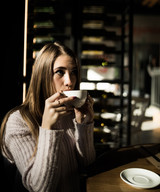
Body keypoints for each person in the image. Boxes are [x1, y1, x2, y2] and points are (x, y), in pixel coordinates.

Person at [0, 42, 96, 192]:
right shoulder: (18, 121)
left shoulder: (70, 114)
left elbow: (87, 164)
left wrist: (84, 124)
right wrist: (48, 128)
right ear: (43, 75)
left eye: (74, 72)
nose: (69, 81)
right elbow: (41, 188)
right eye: (60, 72)